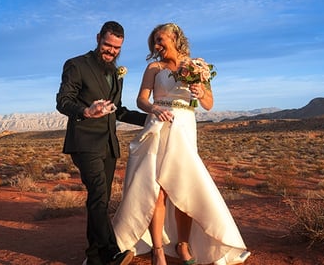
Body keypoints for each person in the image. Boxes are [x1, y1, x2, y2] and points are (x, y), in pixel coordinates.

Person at [113, 23, 250, 265]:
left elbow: (209, 104)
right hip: (159, 127)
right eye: (154, 41)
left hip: (185, 128)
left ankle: (183, 244)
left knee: (183, 186)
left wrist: (200, 91)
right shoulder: (153, 68)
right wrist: (155, 108)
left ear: (175, 37)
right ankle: (157, 249)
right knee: (158, 191)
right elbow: (141, 100)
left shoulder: (196, 66)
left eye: (160, 39)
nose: (156, 45)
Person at [56, 21, 147, 265]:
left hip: (108, 145)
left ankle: (94, 257)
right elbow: (63, 101)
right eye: (108, 45)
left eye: (117, 48)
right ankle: (111, 254)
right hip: (84, 142)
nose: (111, 51)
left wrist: (150, 119)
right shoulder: (76, 65)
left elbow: (118, 111)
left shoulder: (116, 74)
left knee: (101, 200)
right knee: (98, 194)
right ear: (98, 38)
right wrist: (87, 110)